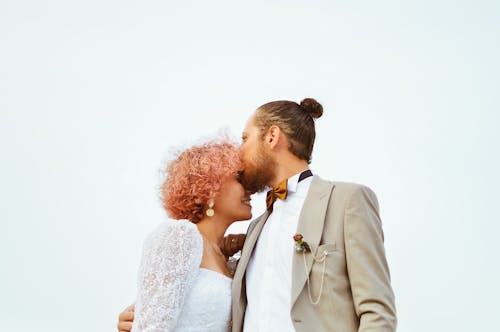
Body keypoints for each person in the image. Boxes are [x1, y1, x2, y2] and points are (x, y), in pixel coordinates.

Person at [118, 98, 397, 332]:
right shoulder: (254, 231)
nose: (240, 152)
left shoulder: (346, 201)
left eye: (245, 138)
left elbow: (376, 310)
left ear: (272, 136)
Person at [124, 139, 251, 332]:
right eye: (239, 179)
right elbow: (150, 326)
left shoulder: (229, 261)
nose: (250, 190)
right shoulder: (179, 236)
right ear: (210, 187)